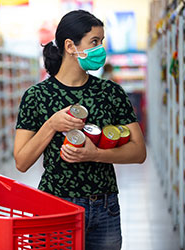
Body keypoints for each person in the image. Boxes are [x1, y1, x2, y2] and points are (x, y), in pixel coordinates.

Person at [14, 10, 146, 250]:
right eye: (94, 42)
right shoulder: (36, 96)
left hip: (104, 206)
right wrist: (51, 125)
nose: (100, 49)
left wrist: (95, 154)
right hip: (55, 206)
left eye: (101, 42)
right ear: (70, 46)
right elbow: (22, 161)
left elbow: (139, 152)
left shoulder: (111, 93)